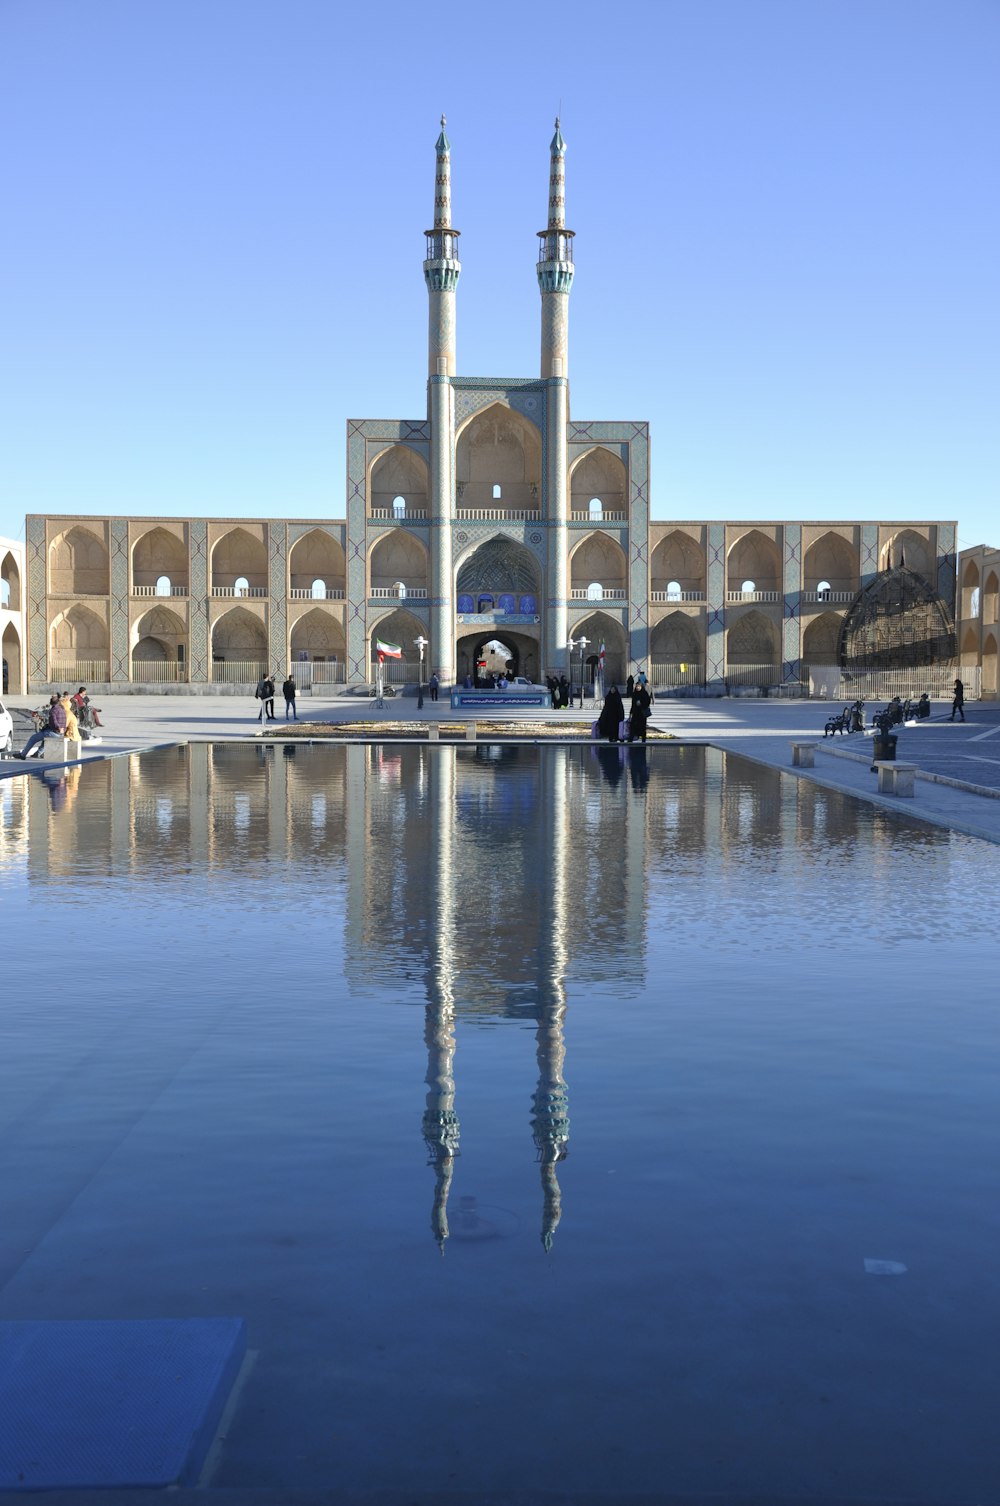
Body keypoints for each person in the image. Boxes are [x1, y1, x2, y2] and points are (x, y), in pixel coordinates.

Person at [17, 695, 61, 759]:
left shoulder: (53, 710)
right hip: (60, 733)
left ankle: (23, 755)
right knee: (45, 737)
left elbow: (54, 722)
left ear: (51, 703)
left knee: (33, 738)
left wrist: (55, 727)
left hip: (54, 732)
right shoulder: (62, 710)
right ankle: (38, 753)